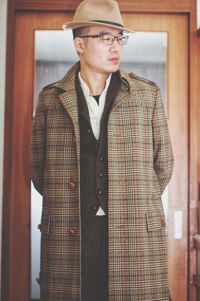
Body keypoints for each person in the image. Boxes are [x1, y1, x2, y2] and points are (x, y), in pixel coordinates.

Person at [31, 0, 174, 300]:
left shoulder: (147, 95)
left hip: (133, 236)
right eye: (105, 38)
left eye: (119, 38)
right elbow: (39, 171)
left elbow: (164, 164)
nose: (116, 47)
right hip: (71, 238)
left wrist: (130, 202)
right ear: (80, 44)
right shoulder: (50, 99)